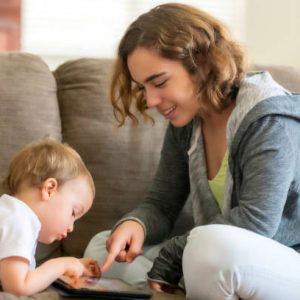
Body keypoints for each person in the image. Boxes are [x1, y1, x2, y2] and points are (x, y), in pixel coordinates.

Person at [84, 3, 300, 299]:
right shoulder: (187, 123)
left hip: (284, 259)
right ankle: (180, 288)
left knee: (208, 247)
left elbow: (256, 223)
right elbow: (161, 204)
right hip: (212, 254)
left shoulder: (269, 120)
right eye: (143, 88)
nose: (150, 101)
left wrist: (174, 253)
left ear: (204, 64)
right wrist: (136, 225)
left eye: (159, 82)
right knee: (103, 246)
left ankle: (184, 282)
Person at [0, 138, 101, 296]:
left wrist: (73, 266)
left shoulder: (10, 213)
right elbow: (17, 288)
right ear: (49, 189)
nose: (71, 227)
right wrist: (61, 265)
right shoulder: (19, 220)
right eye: (73, 213)